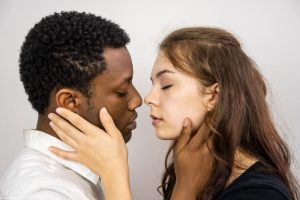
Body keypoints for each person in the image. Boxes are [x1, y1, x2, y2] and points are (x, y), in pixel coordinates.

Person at [48, 27, 299, 200]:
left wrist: (114, 173)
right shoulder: (192, 166)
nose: (148, 98)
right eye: (153, 84)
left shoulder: (261, 194)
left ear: (213, 96)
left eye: (166, 85)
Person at [0, 11, 142, 200]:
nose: (138, 100)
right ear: (70, 102)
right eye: (121, 92)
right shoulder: (43, 193)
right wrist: (115, 175)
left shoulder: (71, 176)